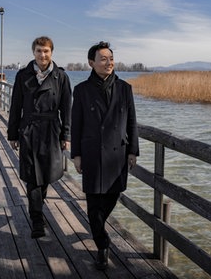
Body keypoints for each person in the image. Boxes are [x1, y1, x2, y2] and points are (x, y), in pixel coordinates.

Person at [71, 41, 139, 270]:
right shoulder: (81, 90)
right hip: (91, 153)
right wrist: (76, 155)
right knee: (93, 204)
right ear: (91, 63)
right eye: (103, 58)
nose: (109, 62)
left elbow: (132, 122)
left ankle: (99, 235)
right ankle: (102, 246)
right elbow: (76, 124)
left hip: (117, 154)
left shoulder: (125, 88)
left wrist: (133, 150)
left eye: (111, 58)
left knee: (112, 196)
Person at [7, 36, 72, 239]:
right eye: (38, 51)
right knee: (32, 176)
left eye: (46, 51)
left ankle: (38, 204)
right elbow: (15, 106)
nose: (42, 55)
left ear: (51, 52)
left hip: (52, 130)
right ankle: (36, 219)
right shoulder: (22, 76)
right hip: (28, 130)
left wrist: (66, 134)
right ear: (33, 52)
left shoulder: (61, 77)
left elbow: (66, 109)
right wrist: (13, 134)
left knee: (46, 175)